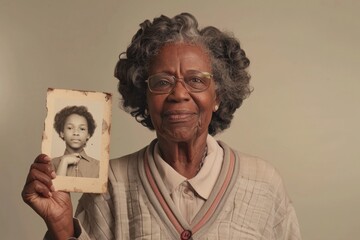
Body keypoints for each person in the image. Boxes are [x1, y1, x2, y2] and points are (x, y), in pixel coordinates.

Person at [22, 13, 301, 239]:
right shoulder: (111, 185)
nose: (179, 94)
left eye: (196, 80)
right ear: (144, 97)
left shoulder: (263, 183)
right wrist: (62, 228)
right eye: (162, 82)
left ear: (218, 96)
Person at [52, 105, 99, 178]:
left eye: (82, 129)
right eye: (70, 128)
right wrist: (64, 162)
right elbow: (55, 189)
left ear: (88, 135)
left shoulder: (98, 166)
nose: (76, 133)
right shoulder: (51, 163)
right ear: (62, 133)